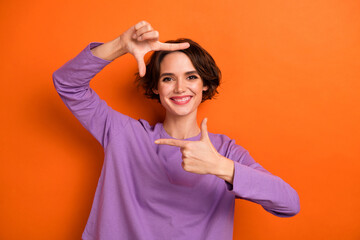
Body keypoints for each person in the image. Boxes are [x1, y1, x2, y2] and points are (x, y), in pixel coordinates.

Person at [53, 21, 300, 240]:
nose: (180, 88)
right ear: (156, 87)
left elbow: (289, 204)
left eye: (191, 77)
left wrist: (219, 167)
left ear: (205, 85)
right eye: (168, 78)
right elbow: (67, 83)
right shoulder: (124, 134)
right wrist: (119, 45)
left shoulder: (224, 152)